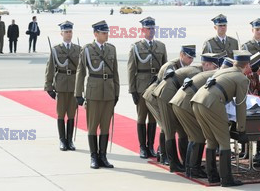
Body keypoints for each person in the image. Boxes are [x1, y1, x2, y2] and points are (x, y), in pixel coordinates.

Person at [191, 50, 251, 187]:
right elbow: (240, 106)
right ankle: (226, 179)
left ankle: (212, 176)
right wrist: (241, 129)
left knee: (211, 140)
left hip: (198, 100)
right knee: (224, 141)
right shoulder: (242, 79)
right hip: (213, 103)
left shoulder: (224, 71)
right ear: (246, 65)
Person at [170, 52, 226, 178]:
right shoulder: (218, 75)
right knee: (199, 136)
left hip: (179, 103)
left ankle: (190, 167)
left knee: (193, 137)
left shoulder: (205, 73)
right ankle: (194, 169)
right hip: (184, 104)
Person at [75, 20, 120, 169]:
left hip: (108, 92)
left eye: (107, 32)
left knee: (106, 127)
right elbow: (81, 72)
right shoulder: (87, 49)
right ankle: (93, 156)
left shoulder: (111, 49)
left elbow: (115, 73)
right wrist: (78, 94)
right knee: (93, 126)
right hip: (93, 92)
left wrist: (117, 92)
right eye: (103, 33)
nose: (106, 35)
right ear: (95, 34)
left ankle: (103, 157)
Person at [142, 46, 194, 166]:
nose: (190, 60)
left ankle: (166, 153)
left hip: (165, 98)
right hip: (155, 97)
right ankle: (164, 156)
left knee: (172, 126)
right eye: (189, 57)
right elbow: (166, 89)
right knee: (166, 126)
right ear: (181, 54)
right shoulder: (170, 66)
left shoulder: (185, 67)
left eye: (192, 58)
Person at [128, 16, 167, 159]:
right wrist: (132, 90)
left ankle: (150, 146)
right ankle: (142, 147)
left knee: (153, 118)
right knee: (141, 117)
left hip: (156, 86)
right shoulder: (136, 47)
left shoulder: (161, 46)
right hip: (142, 87)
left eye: (153, 28)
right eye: (148, 28)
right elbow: (131, 69)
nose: (151, 31)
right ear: (142, 30)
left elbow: (165, 67)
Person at [45, 21, 82, 151]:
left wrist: (81, 88)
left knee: (72, 114)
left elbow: (82, 71)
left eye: (70, 31)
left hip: (73, 85)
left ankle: (69, 140)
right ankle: (62, 140)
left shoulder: (78, 49)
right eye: (66, 32)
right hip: (60, 85)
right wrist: (49, 86)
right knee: (61, 114)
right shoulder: (56, 49)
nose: (68, 34)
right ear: (61, 33)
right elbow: (50, 69)